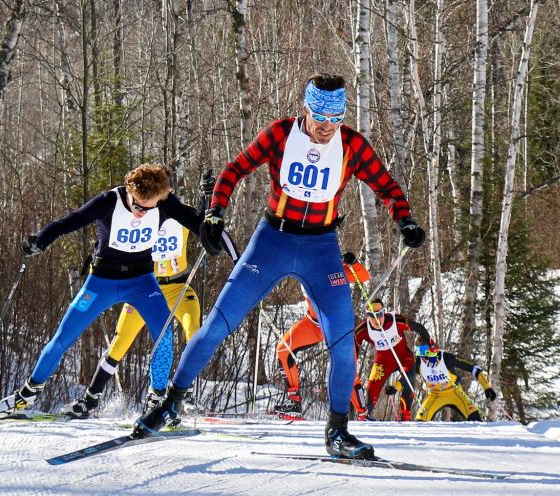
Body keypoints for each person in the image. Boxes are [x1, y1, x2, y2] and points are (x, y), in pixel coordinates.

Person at [134, 73, 425, 460]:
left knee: (343, 343)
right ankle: (169, 404)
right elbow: (234, 170)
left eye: (335, 119)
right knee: (217, 324)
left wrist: (405, 220)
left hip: (321, 249)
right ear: (306, 109)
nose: (326, 127)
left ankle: (338, 431)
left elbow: (386, 186)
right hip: (272, 242)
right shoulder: (281, 134)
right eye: (320, 117)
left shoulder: (352, 145)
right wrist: (215, 212)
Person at [0, 164, 204, 415]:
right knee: (63, 337)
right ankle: (27, 394)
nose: (142, 213)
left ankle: (156, 401)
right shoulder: (109, 201)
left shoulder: (164, 203)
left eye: (149, 208)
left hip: (142, 282)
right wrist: (40, 240)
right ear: (129, 191)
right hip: (102, 282)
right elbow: (70, 221)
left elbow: (198, 223)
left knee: (164, 336)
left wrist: (213, 231)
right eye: (138, 206)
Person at [66, 174, 241, 420]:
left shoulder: (177, 213)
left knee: (194, 332)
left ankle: (182, 395)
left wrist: (209, 197)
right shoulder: (140, 215)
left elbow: (206, 224)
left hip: (178, 287)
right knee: (120, 343)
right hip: (146, 289)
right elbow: (113, 236)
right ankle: (90, 398)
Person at [271, 251, 370, 420]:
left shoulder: (336, 271)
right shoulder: (301, 267)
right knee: (283, 349)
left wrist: (354, 263)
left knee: (348, 370)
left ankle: (363, 415)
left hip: (337, 326)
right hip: (314, 324)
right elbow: (277, 268)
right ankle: (294, 404)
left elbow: (364, 276)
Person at [354, 298, 431, 421]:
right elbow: (354, 344)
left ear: (384, 312)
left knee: (409, 375)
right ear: (367, 316)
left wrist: (429, 347)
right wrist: (352, 364)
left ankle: (405, 416)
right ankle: (364, 417)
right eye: (373, 316)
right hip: (383, 362)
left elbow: (420, 328)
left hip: (403, 357)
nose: (377, 319)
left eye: (380, 314)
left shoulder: (395, 321)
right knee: (372, 388)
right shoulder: (363, 328)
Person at [411, 342, 497, 422]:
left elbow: (474, 369)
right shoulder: (418, 363)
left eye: (426, 356)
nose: (424, 360)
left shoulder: (446, 358)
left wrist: (487, 387)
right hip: (435, 396)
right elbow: (406, 374)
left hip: (455, 393)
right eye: (421, 356)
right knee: (420, 422)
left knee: (475, 419)